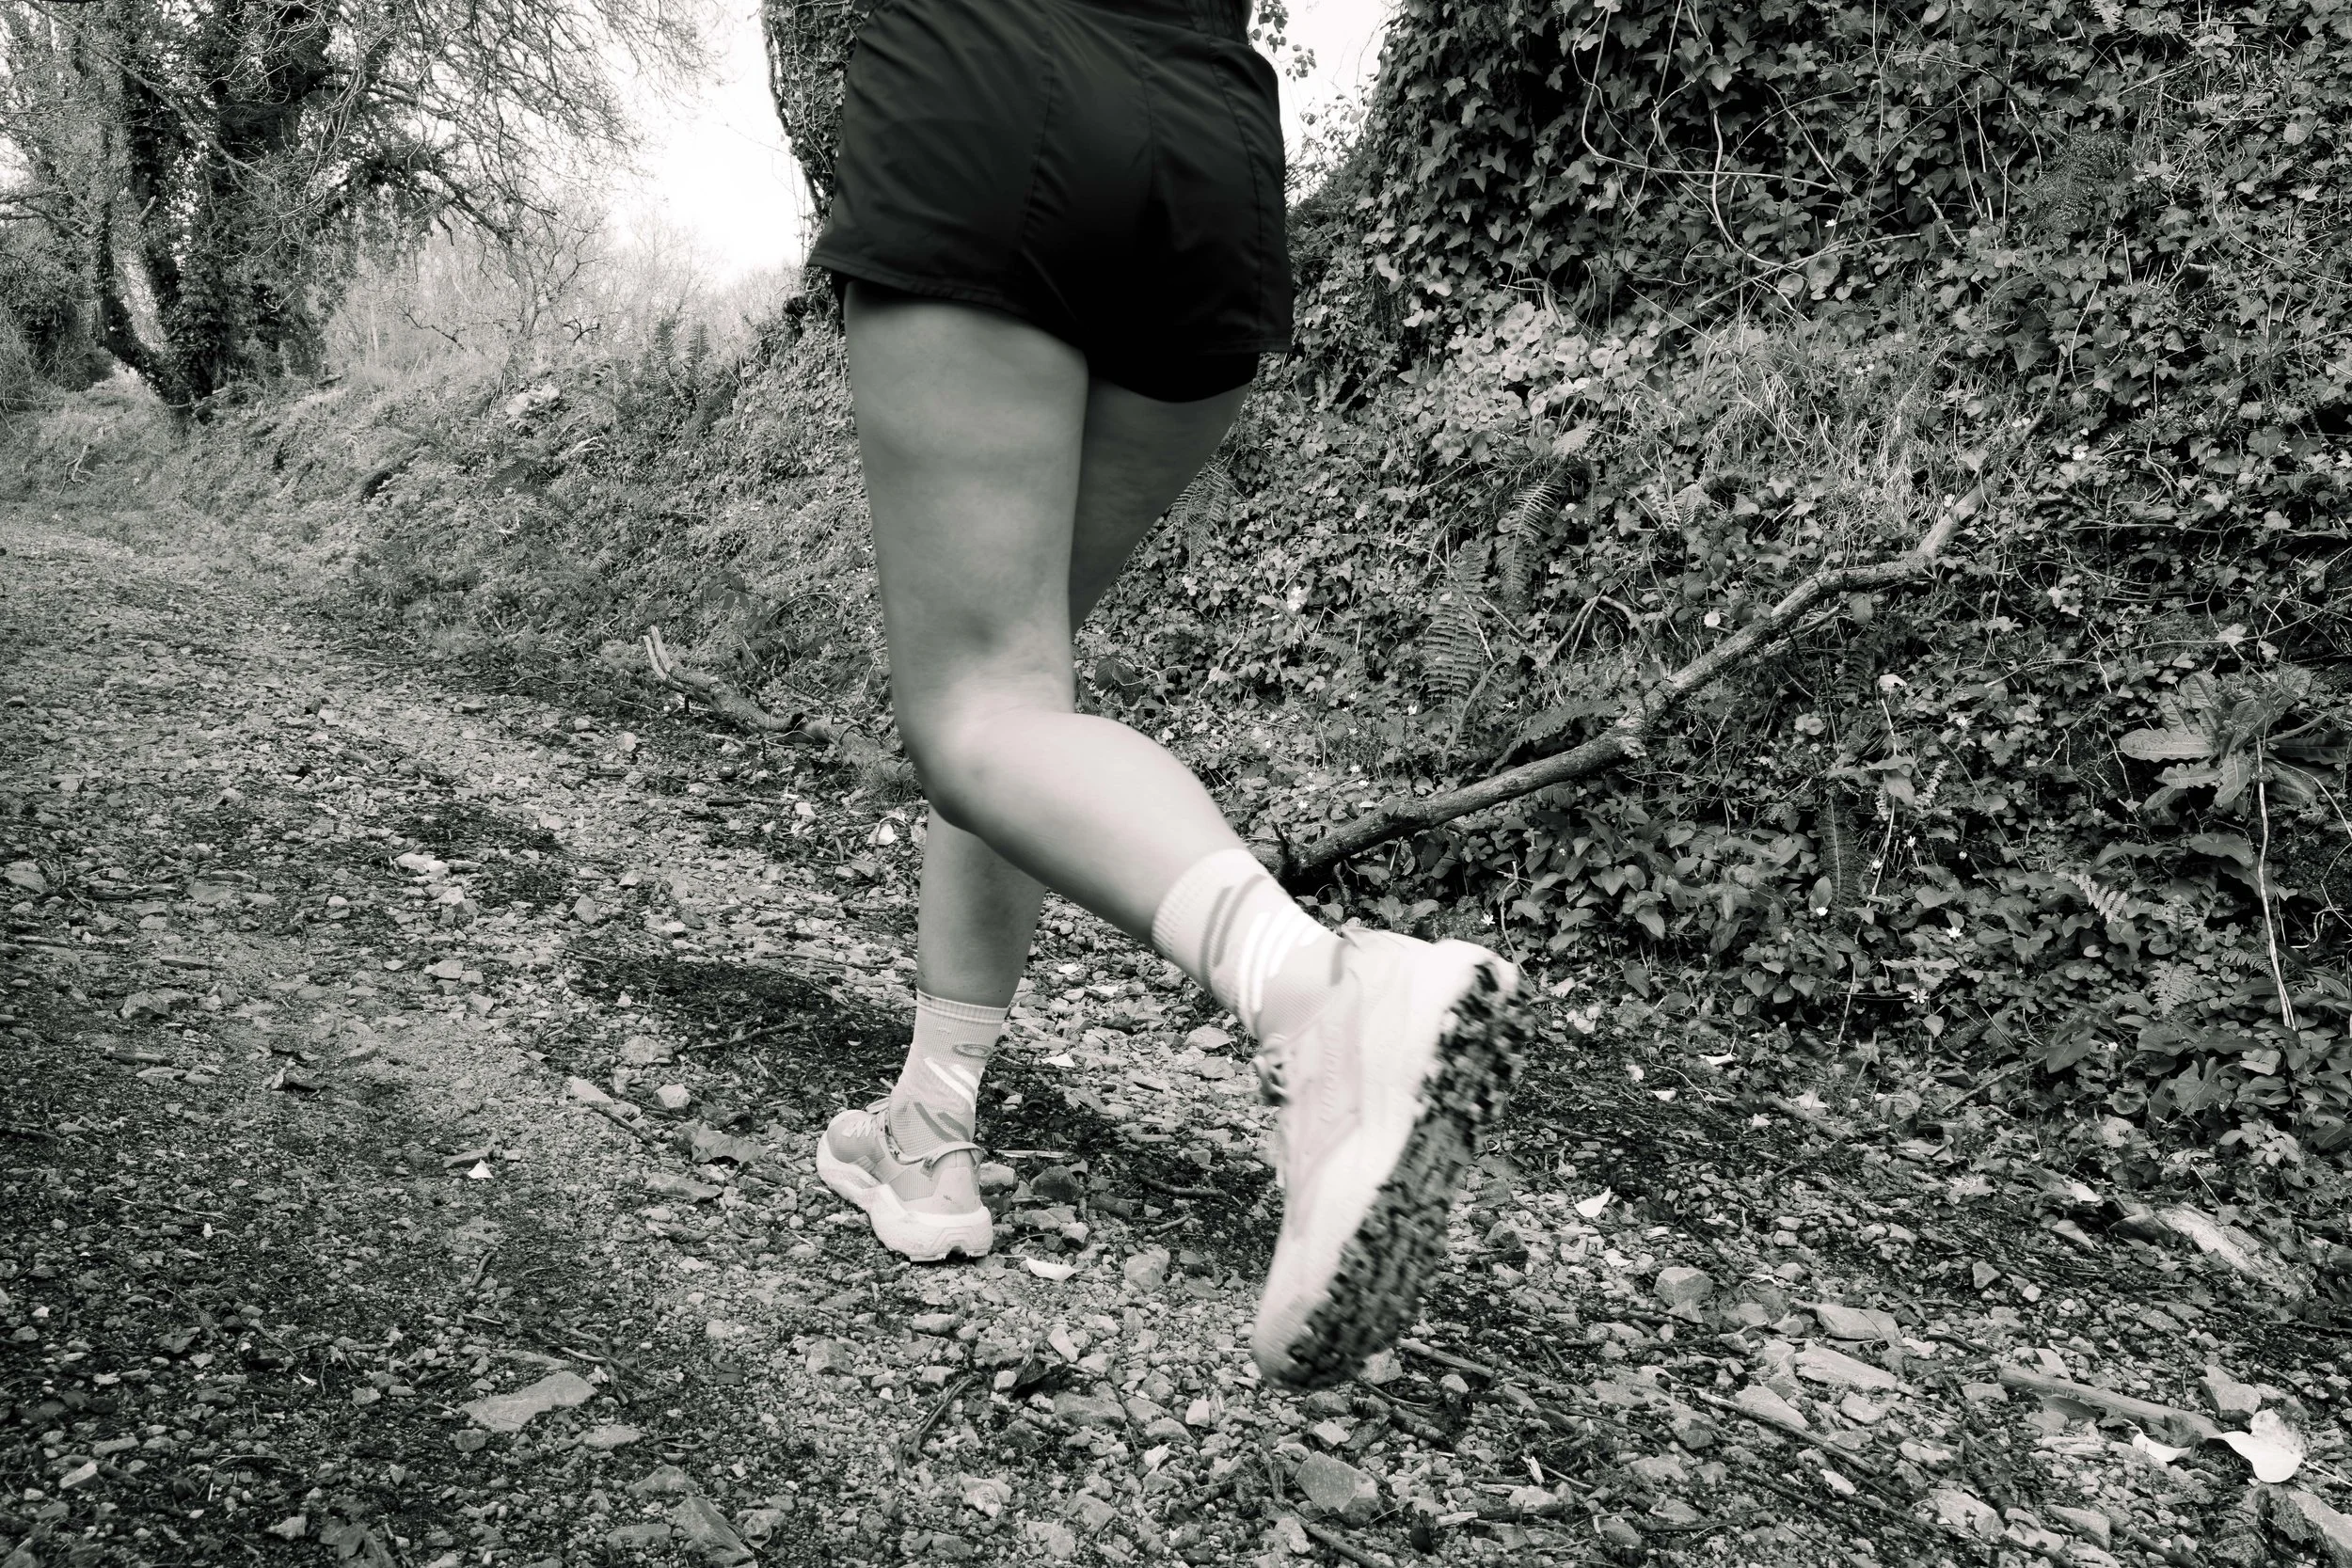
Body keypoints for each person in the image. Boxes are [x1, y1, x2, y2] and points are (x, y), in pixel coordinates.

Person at [801, 0, 1530, 1389]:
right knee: (1025, 705)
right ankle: (929, 1126)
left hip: (984, 76)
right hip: (1203, 134)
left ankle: (1319, 992)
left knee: (981, 705)